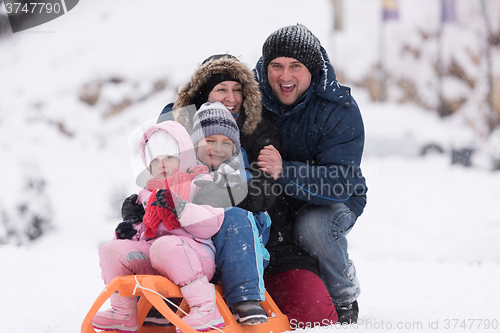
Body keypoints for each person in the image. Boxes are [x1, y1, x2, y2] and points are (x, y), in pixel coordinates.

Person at [153, 55, 280, 325]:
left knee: (233, 218)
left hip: (239, 238)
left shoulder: (243, 153)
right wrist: (142, 202)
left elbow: (262, 187)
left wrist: (223, 194)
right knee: (165, 221)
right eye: (222, 89)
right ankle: (158, 298)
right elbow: (156, 180)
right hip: (195, 236)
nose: (231, 97)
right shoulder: (181, 150)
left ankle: (245, 297)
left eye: (237, 90)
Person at [254, 24, 368, 324]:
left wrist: (285, 172)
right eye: (276, 66)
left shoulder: (337, 108)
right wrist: (171, 125)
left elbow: (340, 182)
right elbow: (200, 99)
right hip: (278, 200)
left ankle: (344, 296)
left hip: (335, 197)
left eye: (296, 67)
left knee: (313, 228)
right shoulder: (252, 93)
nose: (285, 76)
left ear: (312, 69)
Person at [92, 121, 226, 333]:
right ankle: (123, 312)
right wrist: (129, 230)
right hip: (154, 256)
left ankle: (205, 308)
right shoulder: (145, 196)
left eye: (169, 157)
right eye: (155, 160)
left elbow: (212, 223)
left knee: (164, 246)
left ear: (183, 157)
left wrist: (181, 208)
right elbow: (144, 235)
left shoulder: (200, 183)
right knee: (111, 251)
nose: (162, 164)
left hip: (195, 255)